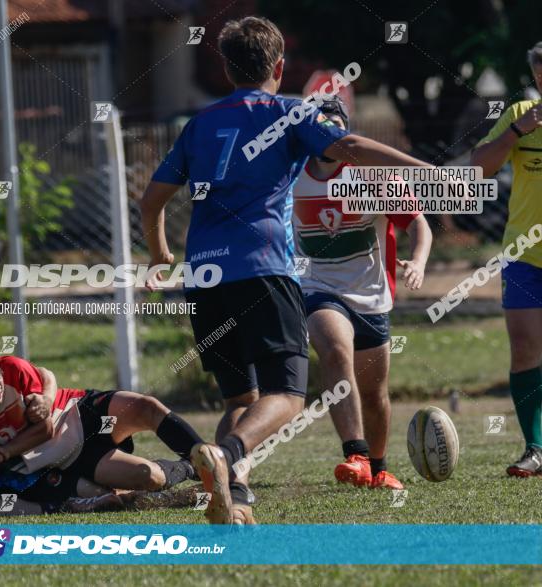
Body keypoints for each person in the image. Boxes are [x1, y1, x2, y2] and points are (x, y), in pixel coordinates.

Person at [141, 16, 432, 524]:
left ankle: (236, 496)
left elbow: (151, 200)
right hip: (263, 270)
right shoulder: (289, 112)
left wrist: (159, 253)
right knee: (287, 397)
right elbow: (350, 148)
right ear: (278, 67)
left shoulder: (199, 124)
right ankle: (226, 457)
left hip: (204, 276)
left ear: (227, 68)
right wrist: (426, 169)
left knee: (240, 396)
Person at [0, 334, 203, 516]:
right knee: (147, 475)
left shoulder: (12, 369)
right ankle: (189, 470)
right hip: (64, 461)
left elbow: (45, 407)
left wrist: (42, 400)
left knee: (145, 407)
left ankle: (207, 459)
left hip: (77, 414)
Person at [294, 96, 432, 490]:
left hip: (371, 294)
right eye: (318, 126)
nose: (328, 134)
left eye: (335, 125)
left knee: (374, 394)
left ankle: (378, 466)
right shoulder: (289, 175)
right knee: (335, 349)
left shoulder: (373, 176)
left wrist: (418, 261)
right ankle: (354, 454)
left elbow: (418, 225)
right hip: (318, 288)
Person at [470, 42, 542, 477]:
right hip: (523, 253)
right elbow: (477, 167)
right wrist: (516, 132)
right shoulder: (519, 116)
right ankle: (535, 448)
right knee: (525, 347)